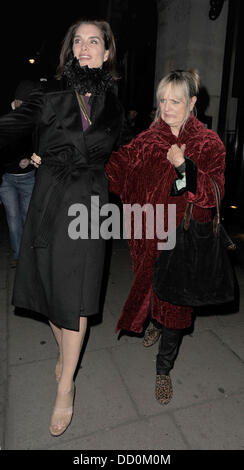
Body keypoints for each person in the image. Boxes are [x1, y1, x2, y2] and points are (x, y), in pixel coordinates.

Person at [0, 19, 124, 436]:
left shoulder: (115, 102)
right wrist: (37, 154)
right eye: (78, 41)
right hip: (51, 198)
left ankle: (66, 385)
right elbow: (13, 125)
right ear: (71, 51)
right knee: (47, 288)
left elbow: (120, 153)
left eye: (95, 41)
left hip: (90, 204)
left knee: (75, 295)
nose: (85, 47)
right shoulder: (48, 94)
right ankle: (64, 353)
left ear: (107, 53)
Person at [105, 69, 226, 405]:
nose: (167, 107)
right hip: (147, 238)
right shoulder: (147, 140)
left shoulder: (207, 143)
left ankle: (163, 371)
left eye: (175, 100)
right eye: (162, 100)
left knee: (175, 311)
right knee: (155, 294)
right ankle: (154, 321)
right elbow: (117, 167)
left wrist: (183, 167)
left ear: (192, 103)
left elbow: (213, 193)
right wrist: (78, 163)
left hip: (183, 244)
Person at [0, 80, 36, 265]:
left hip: (28, 177)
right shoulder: (5, 116)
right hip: (6, 179)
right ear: (18, 100)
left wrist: (30, 158)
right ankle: (18, 256)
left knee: (27, 217)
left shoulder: (32, 117)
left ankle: (28, 256)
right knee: (13, 219)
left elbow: (41, 143)